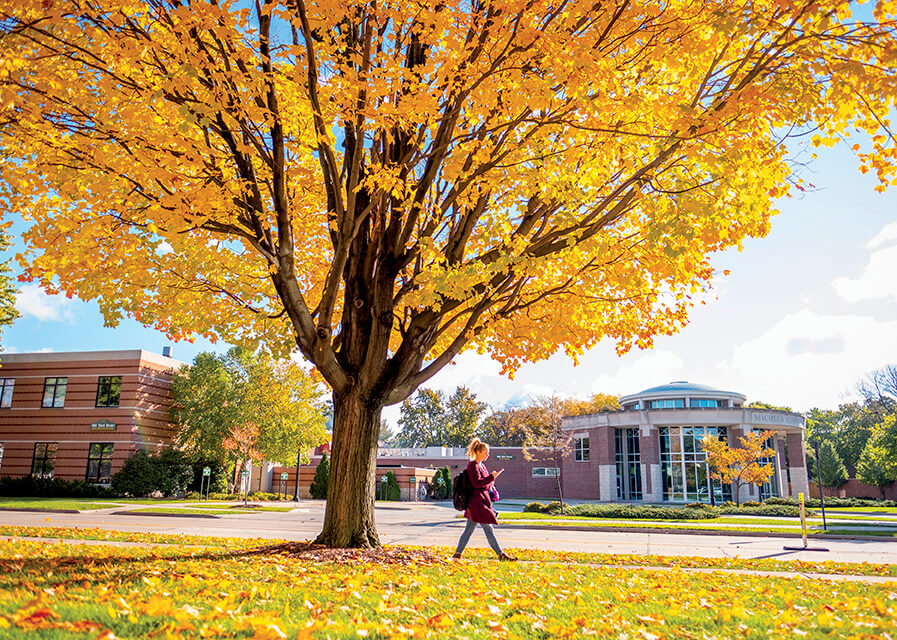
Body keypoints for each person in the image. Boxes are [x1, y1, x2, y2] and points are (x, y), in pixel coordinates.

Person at [453, 437, 516, 561]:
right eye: (486, 452)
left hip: (481, 501)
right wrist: (491, 478)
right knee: (488, 529)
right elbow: (477, 483)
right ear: (478, 452)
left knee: (468, 530)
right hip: (476, 503)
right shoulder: (473, 466)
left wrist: (492, 478)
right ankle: (501, 555)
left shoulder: (482, 466)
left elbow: (486, 485)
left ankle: (457, 554)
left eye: (488, 453)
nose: (488, 455)